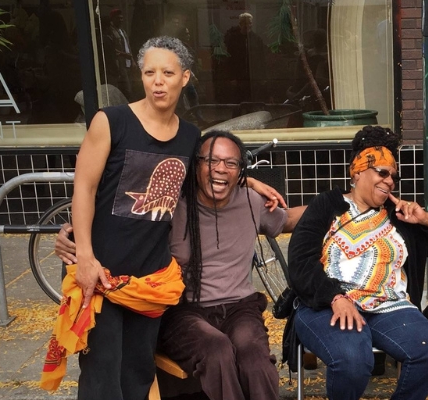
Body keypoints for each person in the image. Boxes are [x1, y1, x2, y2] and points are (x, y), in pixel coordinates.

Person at [54, 131, 305, 400]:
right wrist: (75, 239)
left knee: (254, 357)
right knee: (217, 350)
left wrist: (340, 204)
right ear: (195, 164)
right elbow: (121, 226)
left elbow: (288, 219)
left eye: (231, 163)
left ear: (240, 170)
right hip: (184, 310)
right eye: (211, 160)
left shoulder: (251, 201)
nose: (220, 168)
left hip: (240, 308)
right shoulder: (170, 206)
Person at [40, 36, 199, 400]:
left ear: (185, 78)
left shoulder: (190, 136)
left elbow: (202, 184)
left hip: (151, 278)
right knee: (102, 375)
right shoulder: (111, 121)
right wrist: (84, 254)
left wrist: (248, 179)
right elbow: (84, 188)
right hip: (101, 273)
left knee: (138, 372)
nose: (158, 81)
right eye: (149, 72)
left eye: (168, 73)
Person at [286, 125, 428, 399]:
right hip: (328, 304)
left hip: (389, 305)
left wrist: (425, 218)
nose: (390, 181)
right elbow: (300, 262)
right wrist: (335, 297)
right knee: (353, 360)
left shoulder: (398, 215)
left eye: (394, 176)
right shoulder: (326, 205)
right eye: (382, 172)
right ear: (357, 171)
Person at [104, 9, 136, 100]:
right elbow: (112, 49)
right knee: (127, 90)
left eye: (122, 18)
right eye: (118, 18)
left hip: (128, 64)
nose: (121, 20)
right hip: (120, 65)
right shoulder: (111, 32)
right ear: (113, 19)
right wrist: (124, 55)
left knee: (130, 88)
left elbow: (128, 46)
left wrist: (132, 60)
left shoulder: (122, 31)